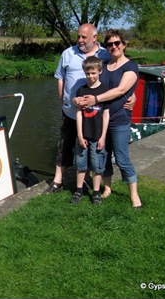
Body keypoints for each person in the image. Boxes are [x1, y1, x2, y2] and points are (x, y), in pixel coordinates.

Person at [76, 29, 142, 209]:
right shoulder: (103, 64)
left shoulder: (130, 66)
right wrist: (77, 98)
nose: (114, 47)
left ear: (123, 45)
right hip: (99, 121)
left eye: (117, 43)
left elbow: (121, 90)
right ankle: (107, 188)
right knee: (102, 156)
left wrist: (96, 99)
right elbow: (92, 85)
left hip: (119, 120)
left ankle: (134, 195)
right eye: (110, 44)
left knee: (122, 158)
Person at [46, 23, 112, 193]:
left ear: (95, 38)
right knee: (64, 145)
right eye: (78, 36)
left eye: (84, 37)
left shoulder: (105, 54)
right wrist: (64, 100)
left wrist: (130, 95)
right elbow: (60, 78)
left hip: (94, 114)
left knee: (91, 146)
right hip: (70, 112)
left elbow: (117, 75)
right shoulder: (68, 53)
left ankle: (88, 180)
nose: (80, 40)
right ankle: (58, 180)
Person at [71, 57, 109, 205]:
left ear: (100, 71)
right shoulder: (81, 90)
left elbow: (106, 114)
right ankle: (79, 190)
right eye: (88, 73)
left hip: (98, 135)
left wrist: (103, 136)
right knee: (81, 164)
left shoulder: (104, 91)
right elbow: (79, 113)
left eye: (93, 73)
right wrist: (80, 135)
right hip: (83, 135)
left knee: (97, 165)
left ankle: (96, 193)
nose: (90, 76)